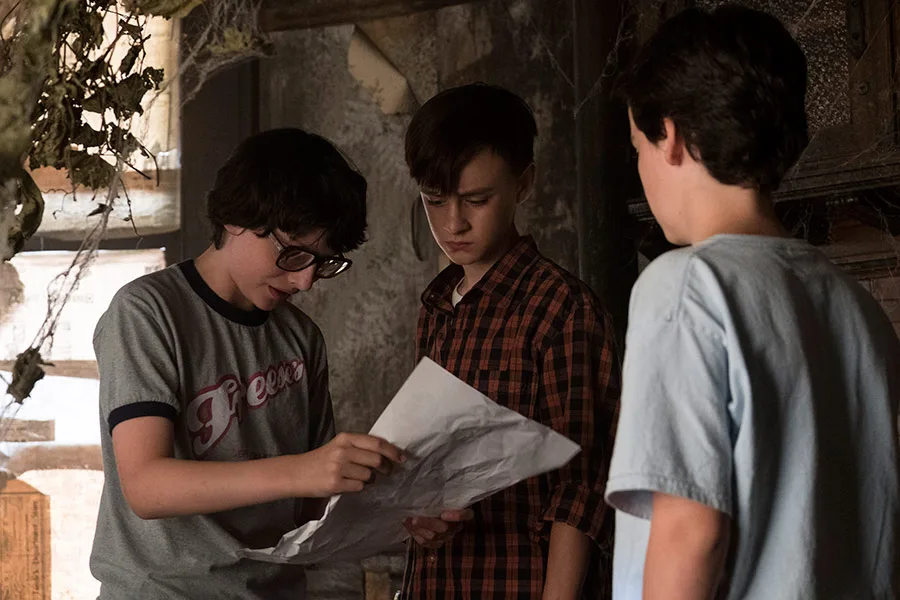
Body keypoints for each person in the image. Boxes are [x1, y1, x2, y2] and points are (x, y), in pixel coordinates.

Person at [605, 6, 900, 600]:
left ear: (672, 139)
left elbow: (690, 530)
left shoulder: (686, 286)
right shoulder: (856, 306)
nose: (640, 169)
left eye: (638, 147)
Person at [91, 128, 409, 599]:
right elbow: (147, 486)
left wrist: (402, 519)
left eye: (324, 263)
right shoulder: (148, 312)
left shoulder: (301, 337)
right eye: (293, 254)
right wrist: (303, 470)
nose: (305, 281)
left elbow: (311, 511)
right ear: (236, 218)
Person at [399, 83, 621, 600]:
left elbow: (582, 488)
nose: (453, 223)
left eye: (477, 200)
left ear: (524, 184)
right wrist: (421, 519)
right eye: (434, 200)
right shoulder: (436, 310)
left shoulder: (561, 309)